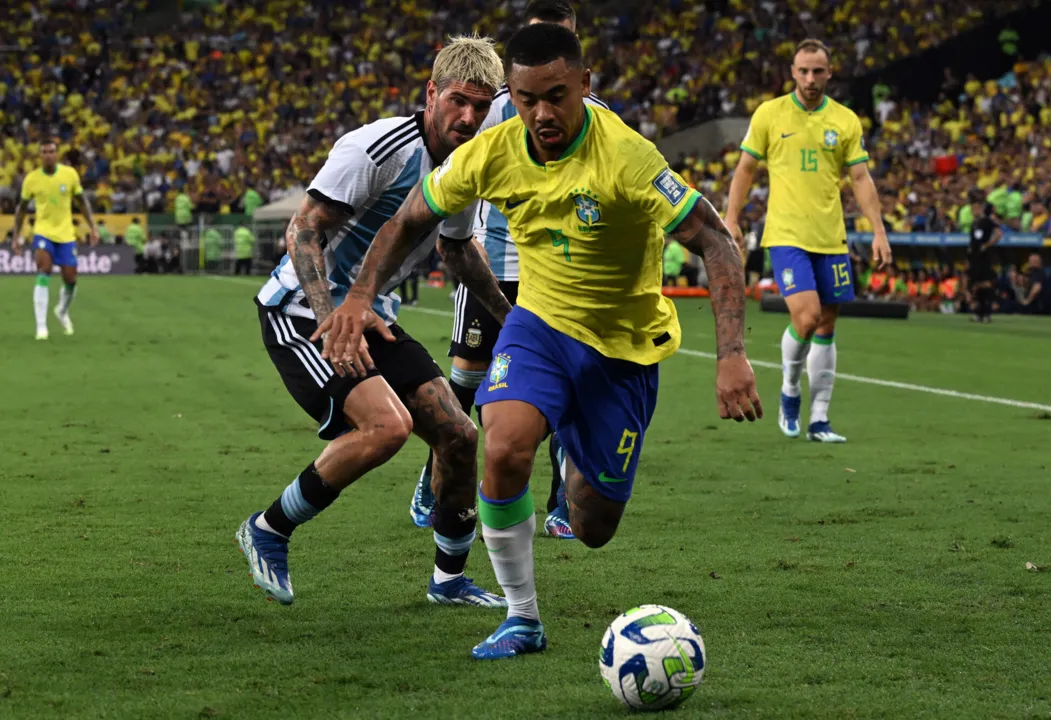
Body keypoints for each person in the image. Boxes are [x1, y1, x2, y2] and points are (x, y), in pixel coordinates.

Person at [314, 23, 762, 659]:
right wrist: (359, 296)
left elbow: (716, 242)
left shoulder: (629, 158)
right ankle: (522, 618)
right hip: (539, 326)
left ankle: (578, 442)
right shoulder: (492, 150)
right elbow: (411, 216)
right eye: (526, 99)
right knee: (501, 447)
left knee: (593, 526)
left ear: (585, 84)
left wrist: (733, 354)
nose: (542, 114)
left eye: (557, 96)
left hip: (621, 347)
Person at [236, 35, 509, 609]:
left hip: (373, 318)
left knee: (459, 436)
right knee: (386, 428)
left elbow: (458, 253)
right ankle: (269, 528)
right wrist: (332, 317)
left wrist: (514, 321)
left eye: (481, 107)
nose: (468, 117)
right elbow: (304, 230)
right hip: (302, 313)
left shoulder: (466, 164)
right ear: (431, 93)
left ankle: (449, 580)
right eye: (458, 101)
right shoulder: (378, 149)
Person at [408, 0, 610, 541]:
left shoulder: (598, 115)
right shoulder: (497, 106)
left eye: (559, 38)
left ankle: (560, 503)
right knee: (465, 383)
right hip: (491, 265)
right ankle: (434, 481)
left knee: (565, 387)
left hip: (562, 275)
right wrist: (463, 233)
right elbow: (462, 172)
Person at [726, 38, 892, 444]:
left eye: (818, 71)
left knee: (828, 324)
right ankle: (790, 390)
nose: (810, 78)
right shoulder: (770, 114)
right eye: (803, 71)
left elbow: (859, 179)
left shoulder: (846, 120)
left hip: (831, 236)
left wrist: (879, 229)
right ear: (792, 72)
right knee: (807, 317)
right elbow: (746, 168)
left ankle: (819, 419)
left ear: (829, 73)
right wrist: (731, 217)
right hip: (785, 234)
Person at [12, 139, 99, 339]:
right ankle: (41, 326)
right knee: (44, 270)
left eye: (51, 151)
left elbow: (82, 202)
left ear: (57, 154)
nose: (48, 155)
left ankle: (61, 311)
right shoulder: (32, 179)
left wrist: (93, 226)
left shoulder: (69, 175)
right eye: (44, 151)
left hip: (66, 234)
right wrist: (16, 235)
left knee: (70, 279)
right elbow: (22, 209)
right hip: (43, 232)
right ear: (40, 155)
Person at [968, 202, 1002, 322]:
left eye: (975, 207)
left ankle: (987, 312)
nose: (973, 210)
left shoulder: (987, 221)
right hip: (974, 256)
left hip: (983, 256)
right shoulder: (974, 223)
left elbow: (999, 233)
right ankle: (980, 313)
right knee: (976, 284)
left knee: (985, 283)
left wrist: (987, 245)